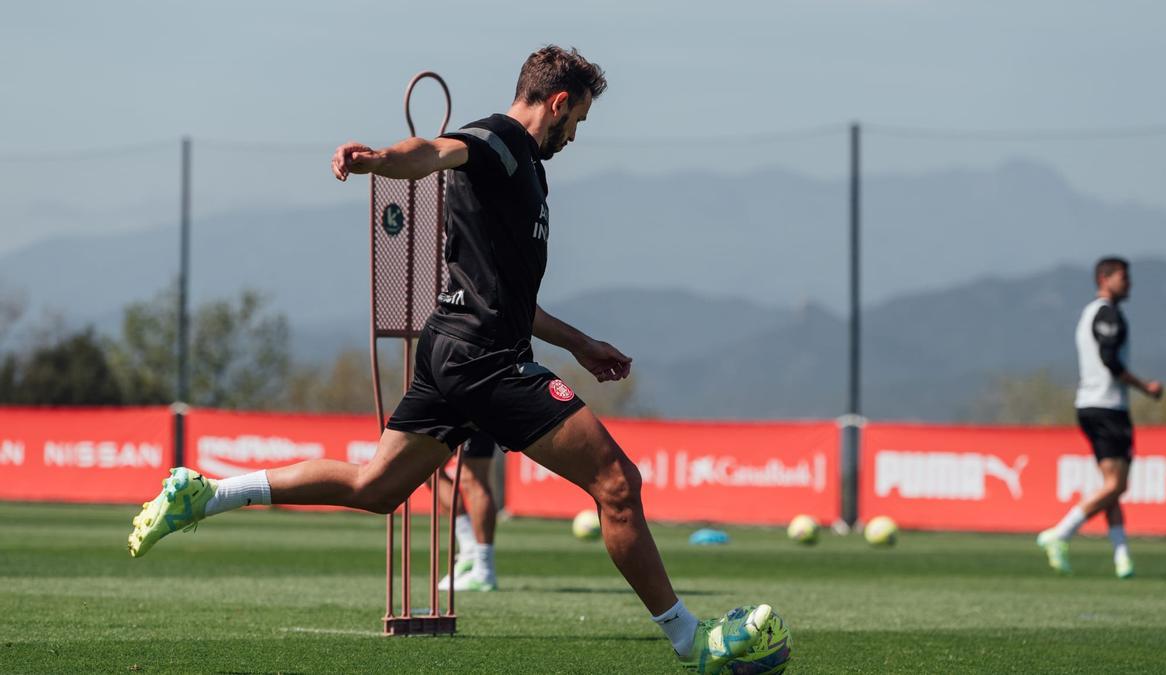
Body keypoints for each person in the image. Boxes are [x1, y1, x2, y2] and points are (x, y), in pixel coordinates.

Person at [127, 45, 773, 672]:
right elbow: (434, 152)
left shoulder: (529, 171)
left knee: (374, 488)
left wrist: (577, 342)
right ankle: (695, 642)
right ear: (556, 102)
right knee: (617, 483)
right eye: (577, 121)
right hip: (484, 360)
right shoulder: (499, 141)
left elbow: (511, 297)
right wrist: (379, 160)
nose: (575, 136)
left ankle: (206, 494)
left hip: (454, 347)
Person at [1037, 257, 1162, 578]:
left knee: (1111, 486)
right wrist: (1145, 387)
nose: (1129, 283)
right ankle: (1061, 533)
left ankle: (1122, 557)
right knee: (1117, 485)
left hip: (1089, 405)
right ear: (1104, 279)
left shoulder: (1088, 313)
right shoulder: (1108, 313)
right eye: (1124, 277)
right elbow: (1109, 359)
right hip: (1107, 407)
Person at [435, 431, 501, 592]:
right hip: (446, 406)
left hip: (471, 407)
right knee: (430, 468)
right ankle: (470, 548)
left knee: (473, 478)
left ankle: (484, 570)